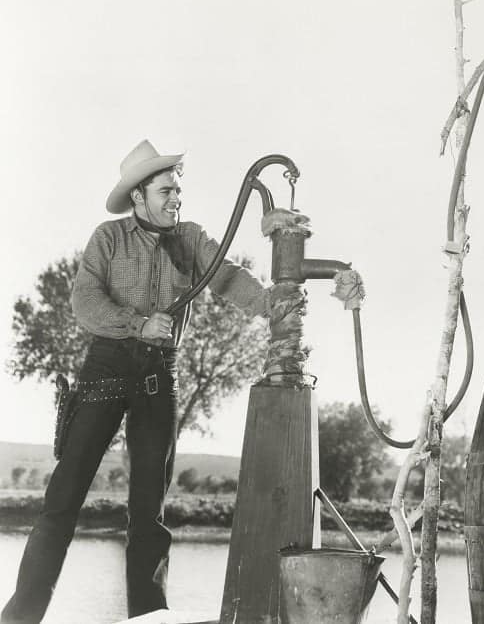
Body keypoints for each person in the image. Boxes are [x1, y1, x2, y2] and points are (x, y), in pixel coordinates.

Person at [1, 140, 302, 623]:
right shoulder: (108, 237)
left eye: (178, 189)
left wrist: (275, 305)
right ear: (138, 197)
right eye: (165, 191)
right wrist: (138, 323)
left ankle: (148, 618)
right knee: (62, 501)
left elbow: (225, 276)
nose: (175, 198)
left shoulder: (190, 237)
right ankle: (19, 618)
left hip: (160, 375)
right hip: (104, 369)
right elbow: (83, 303)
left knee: (149, 513)